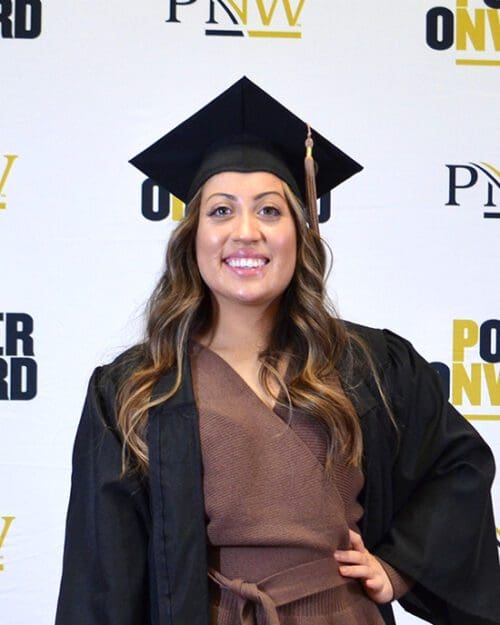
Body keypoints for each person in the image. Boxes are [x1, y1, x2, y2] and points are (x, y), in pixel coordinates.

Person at [54, 77, 500, 625]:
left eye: (269, 211)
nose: (246, 232)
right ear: (192, 237)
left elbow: (459, 466)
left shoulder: (370, 365)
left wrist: (402, 564)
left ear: (300, 231)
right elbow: (103, 582)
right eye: (220, 211)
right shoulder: (136, 389)